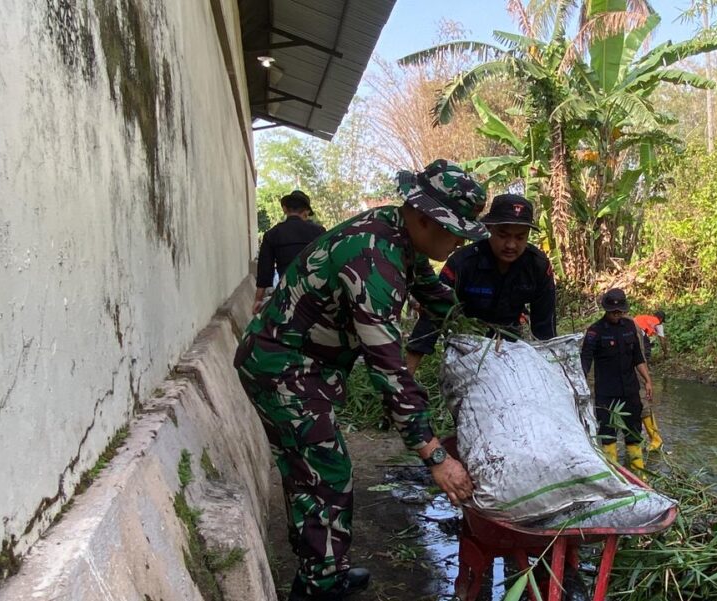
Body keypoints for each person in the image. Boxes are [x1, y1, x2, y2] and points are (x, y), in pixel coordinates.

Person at [233, 160, 485, 601]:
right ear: (426, 218)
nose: (460, 241)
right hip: (283, 367)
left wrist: (485, 338)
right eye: (456, 231)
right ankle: (318, 586)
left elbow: (434, 298)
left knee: (310, 471)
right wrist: (435, 454)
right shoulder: (372, 259)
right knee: (327, 473)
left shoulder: (401, 236)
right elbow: (388, 367)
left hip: (308, 366)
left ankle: (322, 565)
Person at [405, 193, 556, 373]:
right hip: (466, 348)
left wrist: (551, 372)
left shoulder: (537, 265)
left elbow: (545, 327)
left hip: (511, 349)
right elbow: (433, 314)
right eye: (503, 235)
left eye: (520, 237)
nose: (511, 245)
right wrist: (406, 374)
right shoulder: (463, 262)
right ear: (489, 228)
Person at [581, 288, 653, 471]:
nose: (616, 314)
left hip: (630, 391)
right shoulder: (594, 332)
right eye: (613, 312)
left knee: (634, 433)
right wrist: (580, 385)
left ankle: (639, 473)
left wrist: (647, 380)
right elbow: (585, 361)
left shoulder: (629, 328)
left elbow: (638, 357)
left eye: (620, 311)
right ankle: (612, 473)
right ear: (606, 310)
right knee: (607, 434)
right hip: (607, 395)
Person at [253, 190, 327, 314]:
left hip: (286, 297)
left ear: (285, 209)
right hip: (315, 295)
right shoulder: (319, 232)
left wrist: (258, 300)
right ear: (306, 211)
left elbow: (265, 271)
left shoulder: (272, 235)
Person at [632, 311, 667, 452]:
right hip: (639, 336)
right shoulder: (658, 324)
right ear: (662, 319)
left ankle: (654, 439)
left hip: (634, 334)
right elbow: (662, 339)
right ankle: (653, 439)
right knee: (644, 355)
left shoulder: (643, 317)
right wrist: (666, 353)